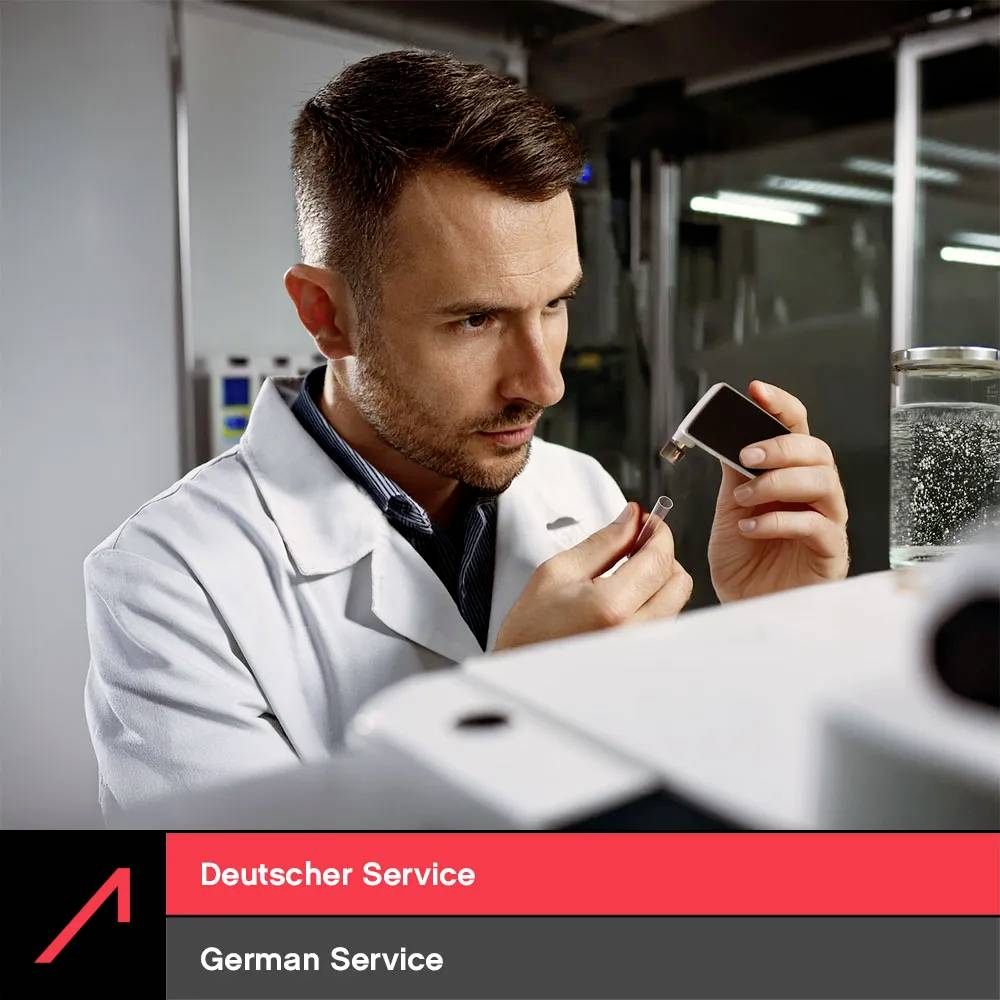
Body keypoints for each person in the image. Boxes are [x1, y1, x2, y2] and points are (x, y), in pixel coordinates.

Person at [84, 51, 849, 818]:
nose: (545, 383)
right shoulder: (168, 585)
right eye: (475, 319)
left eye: (555, 304)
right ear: (328, 315)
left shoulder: (581, 493)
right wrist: (503, 714)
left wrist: (775, 626)